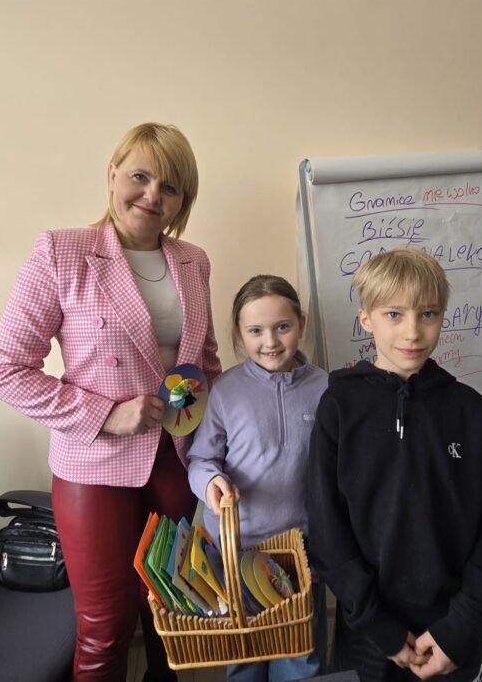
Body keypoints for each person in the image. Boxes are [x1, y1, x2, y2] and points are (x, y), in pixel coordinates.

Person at [0, 123, 221, 682]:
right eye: (140, 176)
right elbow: (5, 370)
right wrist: (105, 414)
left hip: (175, 459)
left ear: (183, 200)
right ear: (113, 175)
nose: (152, 195)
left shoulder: (194, 261)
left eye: (170, 187)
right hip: (94, 465)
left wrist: (218, 423)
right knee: (105, 626)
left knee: (168, 613)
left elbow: (204, 361)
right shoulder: (61, 251)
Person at [306, 249, 482, 682]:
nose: (413, 331)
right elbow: (327, 528)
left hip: (455, 626)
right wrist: (377, 623)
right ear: (366, 319)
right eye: (394, 314)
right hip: (368, 627)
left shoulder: (471, 412)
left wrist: (461, 626)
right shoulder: (339, 407)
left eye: (428, 314)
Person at [187, 275, 329, 682]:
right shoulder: (224, 391)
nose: (270, 341)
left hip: (303, 554)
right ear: (238, 333)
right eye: (255, 331)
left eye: (282, 327)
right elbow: (200, 459)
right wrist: (210, 481)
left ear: (301, 324)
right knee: (245, 657)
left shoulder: (327, 388)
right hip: (238, 553)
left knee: (301, 657)